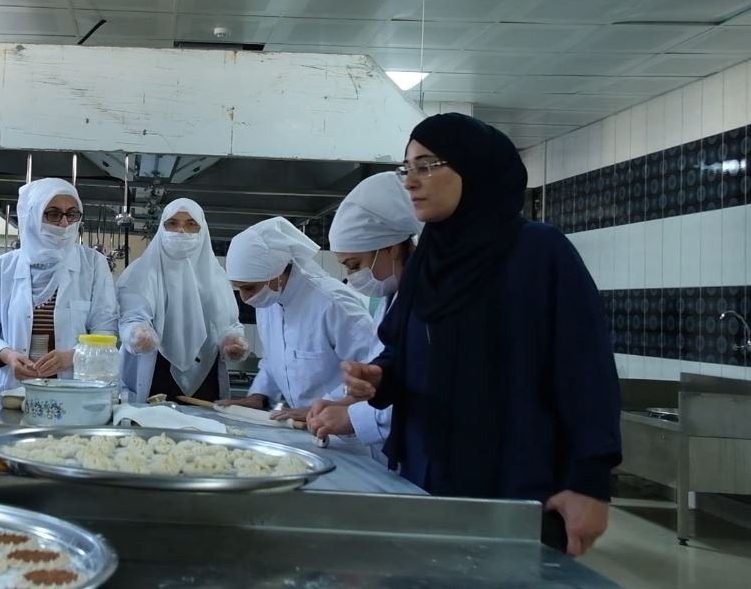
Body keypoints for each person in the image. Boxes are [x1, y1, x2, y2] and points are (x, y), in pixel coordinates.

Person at [340, 113, 621, 557]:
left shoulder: (538, 253)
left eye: (427, 165)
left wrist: (590, 481)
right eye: (405, 169)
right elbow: (403, 350)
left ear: (474, 168)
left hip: (514, 485)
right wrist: (378, 377)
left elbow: (585, 371)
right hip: (425, 478)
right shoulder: (429, 261)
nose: (410, 182)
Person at [218, 217, 380, 423]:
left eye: (249, 288)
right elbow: (273, 361)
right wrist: (258, 396)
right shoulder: (269, 301)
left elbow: (371, 367)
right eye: (238, 288)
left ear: (277, 274)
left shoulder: (332, 303)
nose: (245, 297)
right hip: (306, 426)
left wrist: (325, 406)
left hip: (348, 429)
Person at [305, 173, 422, 457]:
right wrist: (347, 402)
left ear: (392, 248)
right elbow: (386, 379)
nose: (351, 276)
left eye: (354, 265)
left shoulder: (430, 300)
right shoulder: (392, 296)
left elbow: (431, 391)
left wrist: (354, 418)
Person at [0, 178, 119, 394]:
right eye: (53, 214)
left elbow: (106, 329)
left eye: (72, 214)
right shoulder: (3, 268)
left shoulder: (93, 264)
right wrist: (7, 355)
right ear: (32, 216)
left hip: (73, 388)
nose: (64, 224)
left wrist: (74, 355)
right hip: (13, 389)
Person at [116, 199, 247, 403]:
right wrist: (137, 334)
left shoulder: (216, 276)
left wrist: (232, 341)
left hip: (205, 376)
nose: (181, 231)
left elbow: (228, 323)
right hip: (154, 371)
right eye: (173, 223)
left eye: (190, 224)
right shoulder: (140, 272)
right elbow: (130, 317)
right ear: (162, 228)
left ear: (202, 230)